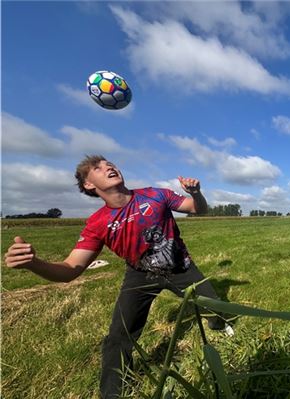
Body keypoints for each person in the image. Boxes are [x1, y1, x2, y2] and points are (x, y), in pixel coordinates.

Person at [3, 154, 232, 399]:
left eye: (109, 164)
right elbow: (70, 269)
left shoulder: (156, 195)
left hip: (181, 267)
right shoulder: (97, 223)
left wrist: (196, 193)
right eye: (97, 168)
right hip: (140, 276)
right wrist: (34, 264)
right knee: (118, 336)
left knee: (215, 307)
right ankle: (113, 393)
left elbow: (198, 209)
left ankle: (217, 324)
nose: (108, 167)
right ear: (89, 185)